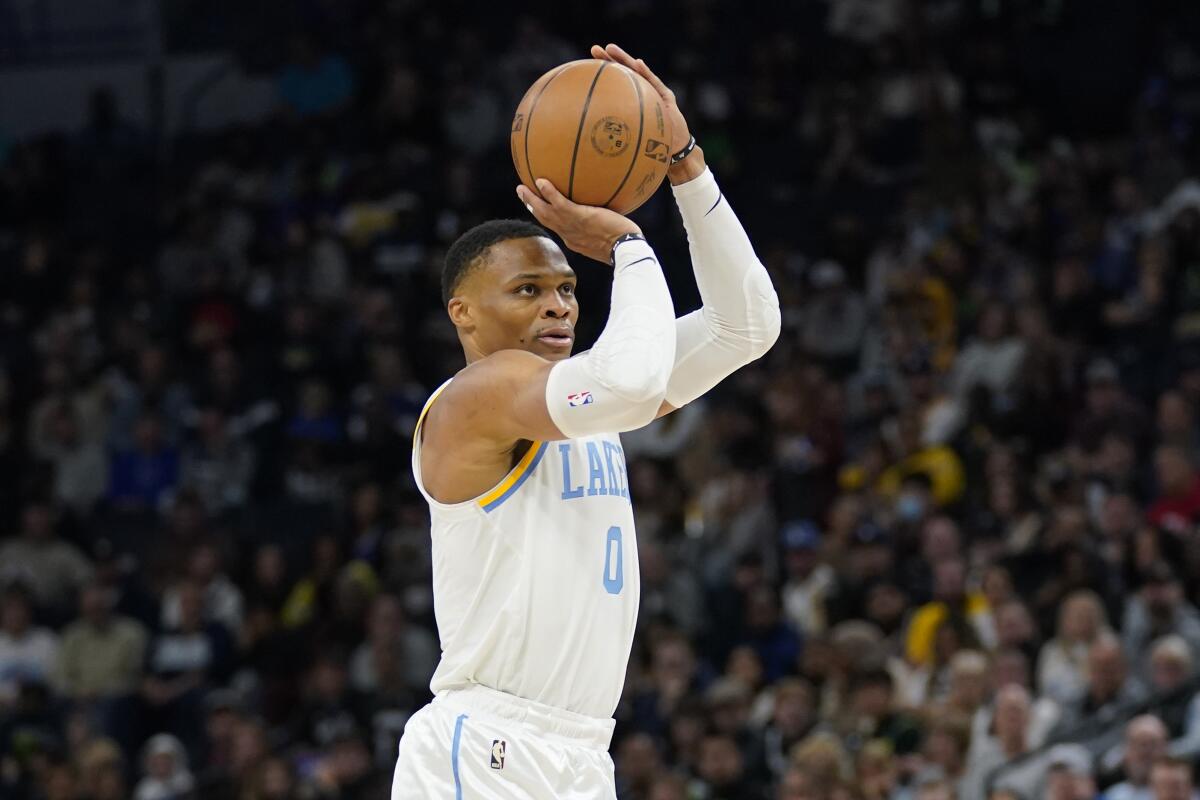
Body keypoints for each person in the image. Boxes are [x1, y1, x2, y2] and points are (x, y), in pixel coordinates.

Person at [389, 42, 780, 799]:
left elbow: (748, 325)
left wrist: (687, 168)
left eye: (566, 286)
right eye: (528, 290)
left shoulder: (585, 400)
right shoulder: (479, 395)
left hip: (579, 751)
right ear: (462, 312)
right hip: (488, 743)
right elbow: (631, 379)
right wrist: (628, 245)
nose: (560, 304)